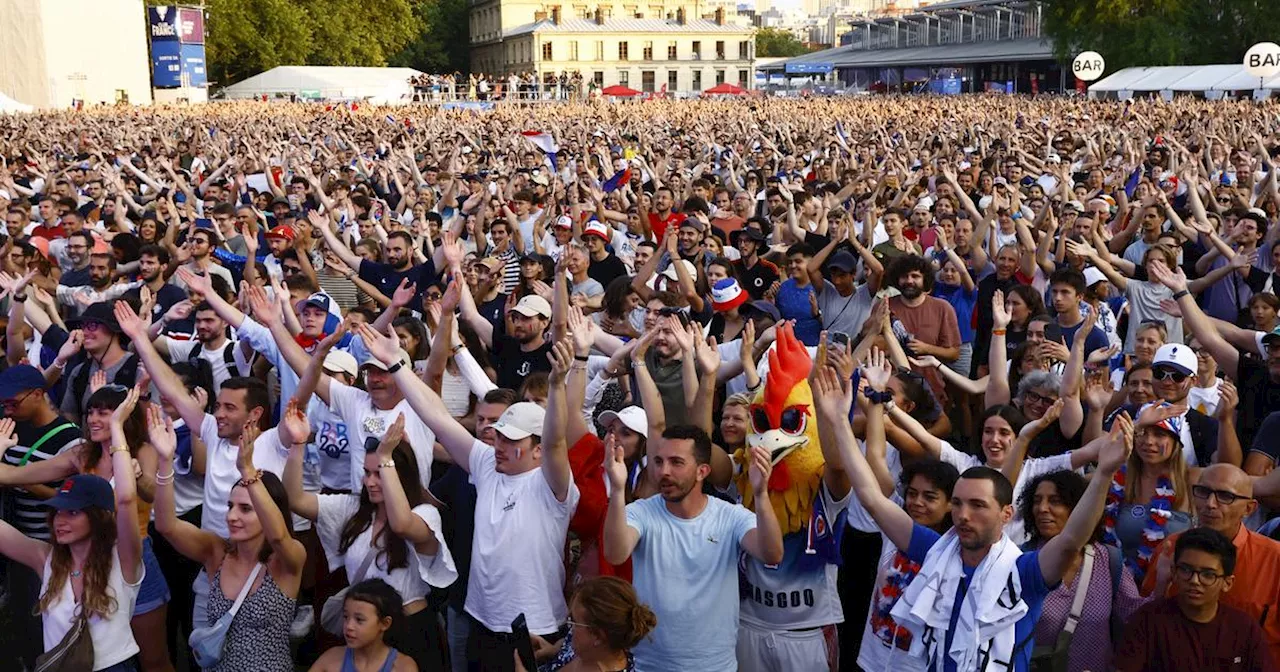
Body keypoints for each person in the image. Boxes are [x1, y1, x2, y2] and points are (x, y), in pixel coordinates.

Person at [814, 354, 1136, 672]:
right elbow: (871, 496)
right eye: (957, 503)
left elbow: (1069, 541)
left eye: (978, 505)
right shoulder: (935, 549)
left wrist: (1105, 474)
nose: (963, 515)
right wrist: (839, 421)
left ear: (1007, 514)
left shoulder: (1023, 572)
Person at [358, 323, 578, 672]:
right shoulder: (487, 463)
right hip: (480, 620)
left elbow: (556, 442)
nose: (499, 445)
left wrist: (555, 385)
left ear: (537, 450)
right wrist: (398, 366)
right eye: (499, 435)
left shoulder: (552, 485)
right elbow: (438, 416)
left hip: (535, 628)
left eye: (512, 441)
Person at [280, 401, 455, 672]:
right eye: (366, 473)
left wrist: (386, 457)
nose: (370, 481)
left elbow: (402, 525)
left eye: (380, 473)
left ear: (400, 475)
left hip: (411, 630)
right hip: (364, 630)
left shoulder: (426, 513)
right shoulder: (353, 510)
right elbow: (295, 499)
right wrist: (298, 444)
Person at [602, 424, 784, 671]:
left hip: (715, 666)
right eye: (658, 461)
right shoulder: (641, 512)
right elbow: (615, 553)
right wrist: (616, 489)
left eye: (676, 462)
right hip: (650, 666)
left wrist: (761, 494)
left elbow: (772, 553)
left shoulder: (729, 516)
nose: (663, 471)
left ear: (702, 471)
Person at [149, 401, 305, 672]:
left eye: (246, 509)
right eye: (230, 506)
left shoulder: (288, 560)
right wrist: (165, 461)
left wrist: (247, 471)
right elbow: (166, 526)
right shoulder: (216, 552)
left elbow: (278, 537)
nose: (232, 516)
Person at [0, 398, 143, 671]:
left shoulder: (123, 559)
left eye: (73, 512)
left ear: (98, 517)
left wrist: (116, 427)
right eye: (58, 511)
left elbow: (125, 499)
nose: (60, 521)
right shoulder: (45, 558)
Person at [1141, 463, 1280, 661]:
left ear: (1249, 508)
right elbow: (1147, 622)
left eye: (1225, 496)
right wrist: (1163, 585)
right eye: (1203, 492)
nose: (1210, 503)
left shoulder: (1275, 560)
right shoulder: (1170, 549)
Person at [1019, 470, 1148, 672]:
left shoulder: (1108, 560)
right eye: (1037, 501)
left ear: (1081, 508)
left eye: (1055, 501)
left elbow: (1135, 617)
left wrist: (1163, 581)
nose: (1042, 509)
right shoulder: (1021, 561)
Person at [1116, 527, 1275, 672]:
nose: (1194, 581)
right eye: (1186, 570)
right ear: (1174, 573)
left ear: (1227, 583)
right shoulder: (1148, 621)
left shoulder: (1244, 628)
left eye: (1207, 575)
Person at [514, 576, 656, 672]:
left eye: (574, 622)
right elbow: (570, 648)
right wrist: (553, 650)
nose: (570, 627)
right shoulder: (593, 650)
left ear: (598, 637)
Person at [307, 579, 419, 672]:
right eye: (346, 617)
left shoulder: (403, 667)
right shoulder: (331, 659)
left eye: (359, 620)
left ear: (385, 623)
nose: (349, 626)